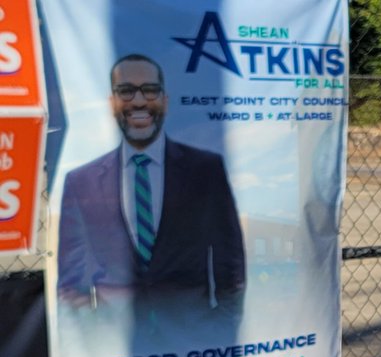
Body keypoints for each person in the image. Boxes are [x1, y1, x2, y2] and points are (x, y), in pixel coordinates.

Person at [57, 54, 245, 306]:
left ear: (165, 102)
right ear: (112, 103)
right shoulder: (80, 182)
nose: (138, 101)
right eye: (125, 91)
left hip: (192, 337)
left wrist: (221, 330)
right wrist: (90, 339)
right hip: (115, 339)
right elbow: (71, 283)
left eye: (150, 90)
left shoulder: (207, 171)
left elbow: (229, 265)